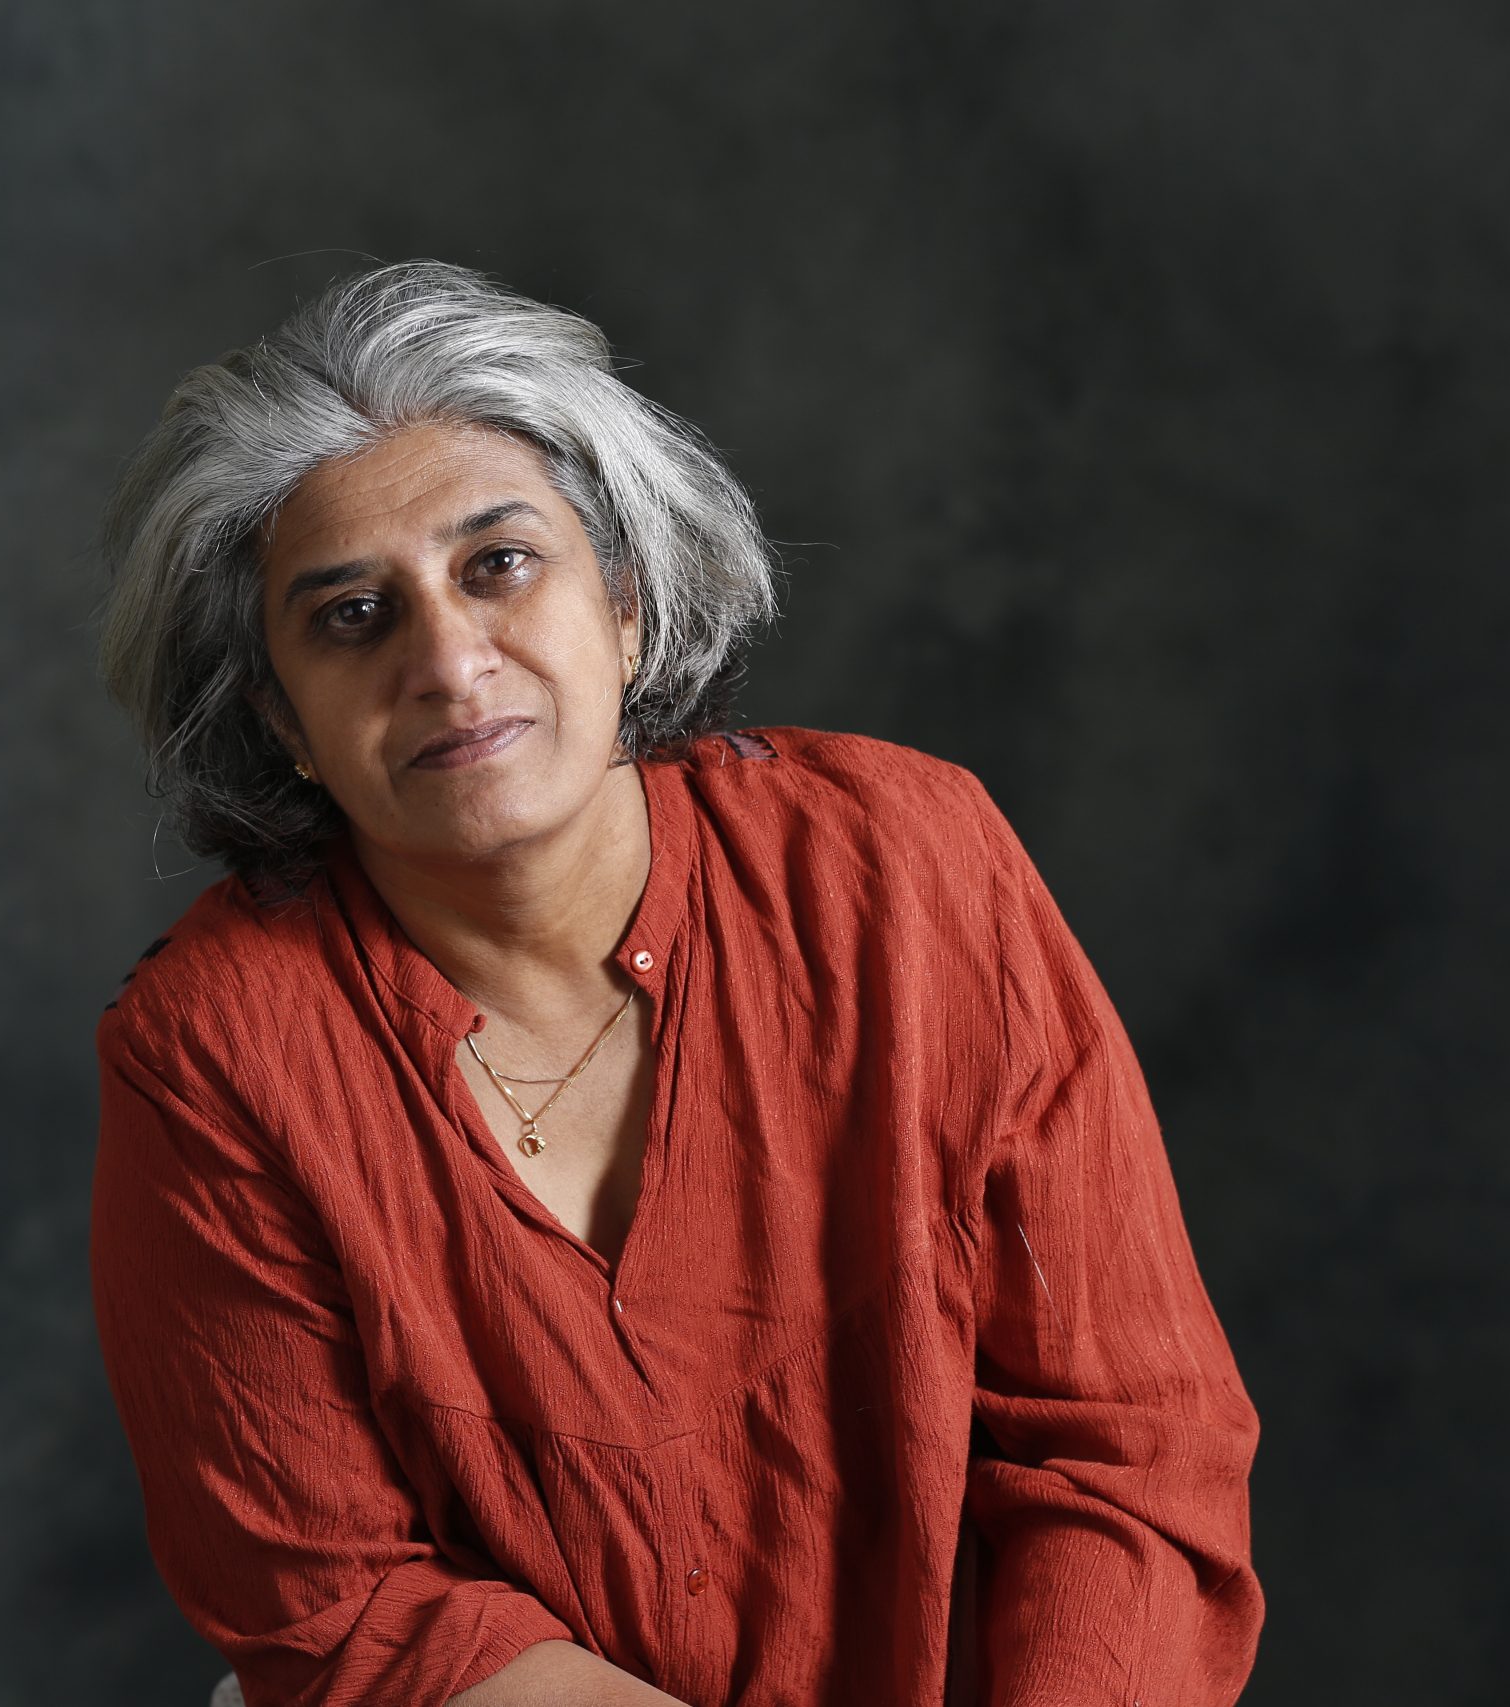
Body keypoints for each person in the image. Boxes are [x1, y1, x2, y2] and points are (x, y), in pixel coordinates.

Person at [86, 260, 1263, 1707]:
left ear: (628, 605)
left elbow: (1121, 1440)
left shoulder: (908, 864)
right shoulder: (213, 1054)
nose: (451, 663)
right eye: (350, 617)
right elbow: (347, 1612)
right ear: (282, 719)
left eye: (499, 564)